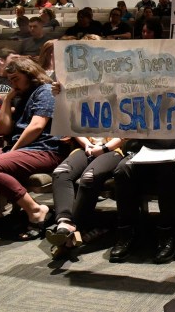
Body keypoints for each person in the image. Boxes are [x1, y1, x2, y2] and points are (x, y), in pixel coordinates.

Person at [109, 70, 175, 264]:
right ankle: (126, 233)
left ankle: (167, 234)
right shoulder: (145, 96)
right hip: (149, 151)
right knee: (123, 170)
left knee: (169, 171)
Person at [0, 57, 65, 239]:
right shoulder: (22, 96)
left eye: (15, 78)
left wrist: (13, 150)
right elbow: (3, 129)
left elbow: (37, 126)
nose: (12, 83)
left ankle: (36, 210)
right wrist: (7, 99)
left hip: (44, 149)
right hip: (24, 149)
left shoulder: (45, 91)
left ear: (29, 74)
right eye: (9, 80)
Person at [46, 77, 124, 257]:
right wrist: (87, 145)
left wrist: (103, 148)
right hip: (85, 147)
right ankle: (65, 222)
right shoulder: (82, 96)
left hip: (112, 150)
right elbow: (73, 126)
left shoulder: (122, 96)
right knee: (61, 172)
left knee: (89, 177)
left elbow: (128, 131)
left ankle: (72, 231)